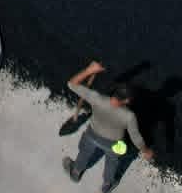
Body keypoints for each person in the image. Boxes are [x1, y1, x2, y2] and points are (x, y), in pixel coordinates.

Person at [60, 60, 151, 191]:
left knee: (84, 153)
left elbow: (71, 84)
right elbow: (136, 138)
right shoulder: (129, 116)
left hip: (92, 136)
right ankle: (107, 185)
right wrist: (146, 151)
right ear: (127, 100)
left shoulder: (96, 98)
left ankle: (75, 172)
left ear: (115, 93)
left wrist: (89, 71)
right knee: (112, 164)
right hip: (114, 145)